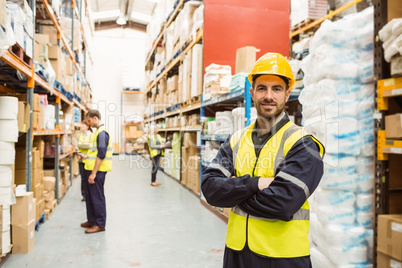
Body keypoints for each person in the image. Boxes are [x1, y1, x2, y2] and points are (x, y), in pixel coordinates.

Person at [201, 53, 325, 268]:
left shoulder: (303, 144)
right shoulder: (236, 140)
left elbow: (283, 203)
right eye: (262, 88)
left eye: (276, 89)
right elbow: (210, 189)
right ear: (252, 92)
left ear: (287, 95)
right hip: (237, 253)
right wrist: (255, 184)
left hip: (282, 257)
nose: (269, 96)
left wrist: (233, 193)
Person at [80, 109, 113, 234]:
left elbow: (101, 154)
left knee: (97, 197)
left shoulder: (102, 134)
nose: (88, 123)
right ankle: (92, 220)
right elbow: (94, 153)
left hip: (98, 172)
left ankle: (100, 224)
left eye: (89, 121)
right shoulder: (96, 132)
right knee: (89, 196)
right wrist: (85, 156)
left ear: (95, 118)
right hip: (91, 168)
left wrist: (93, 173)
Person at [77, 120, 92, 202]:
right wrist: (78, 152)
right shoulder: (80, 135)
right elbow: (78, 146)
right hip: (81, 160)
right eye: (81, 124)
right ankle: (84, 195)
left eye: (83, 125)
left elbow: (90, 146)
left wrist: (81, 147)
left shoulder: (91, 135)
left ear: (87, 126)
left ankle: (89, 194)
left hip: (88, 159)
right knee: (83, 178)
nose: (81, 126)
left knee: (88, 178)